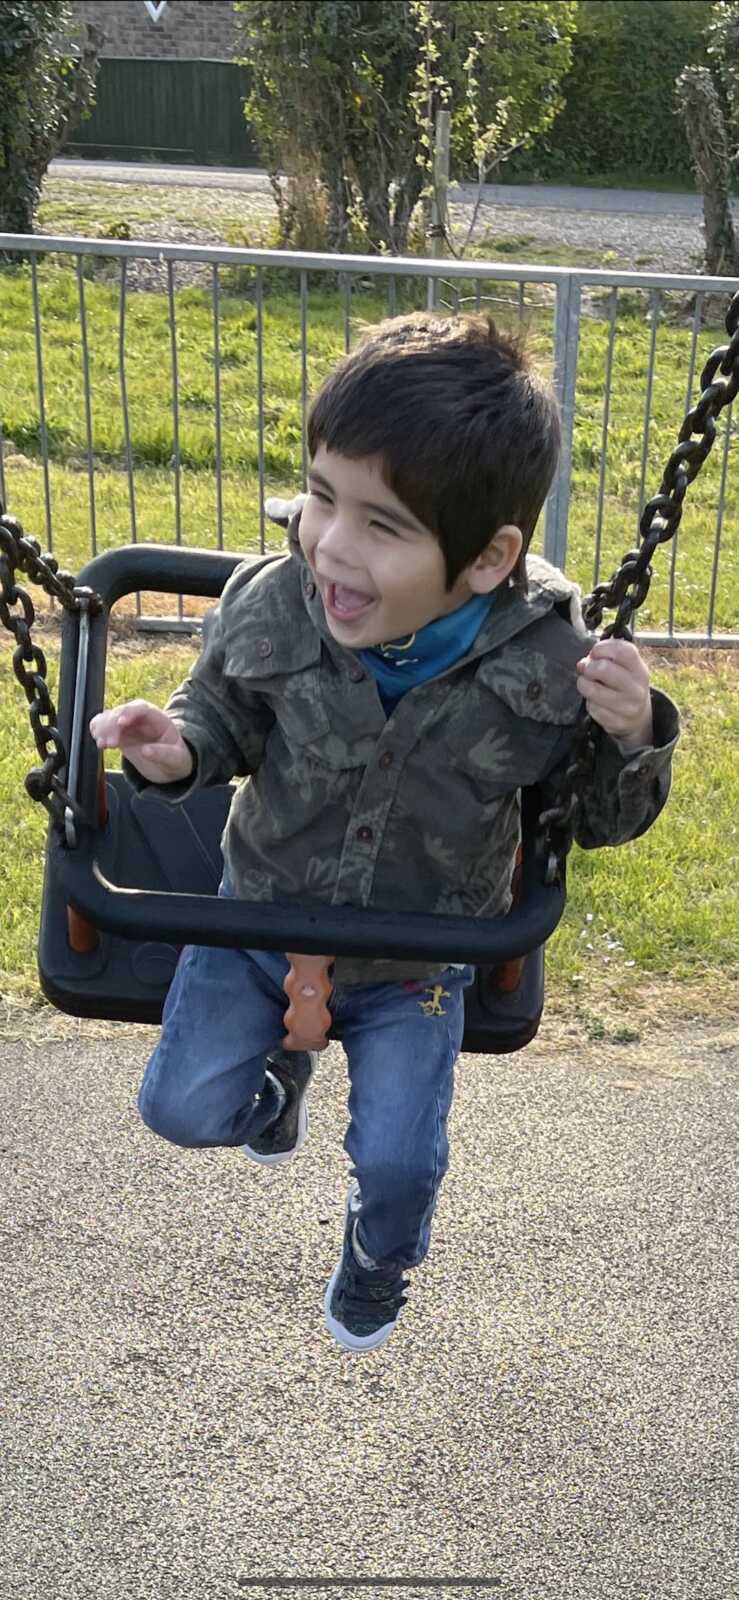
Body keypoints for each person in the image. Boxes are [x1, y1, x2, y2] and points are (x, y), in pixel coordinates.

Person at [89, 312, 679, 1354]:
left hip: (419, 952)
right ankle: (277, 1082)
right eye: (321, 496)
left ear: (490, 557)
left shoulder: (548, 659)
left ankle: (378, 1258)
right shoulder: (272, 603)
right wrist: (173, 750)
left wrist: (631, 733)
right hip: (257, 919)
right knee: (178, 1109)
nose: (331, 544)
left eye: (382, 523)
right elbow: (219, 716)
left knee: (403, 1164)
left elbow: (593, 818)